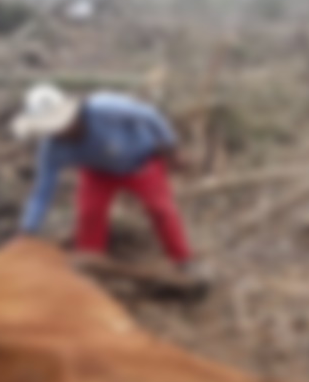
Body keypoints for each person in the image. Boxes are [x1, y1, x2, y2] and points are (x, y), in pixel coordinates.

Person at [12, 84, 199, 274]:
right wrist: (27, 231)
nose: (60, 131)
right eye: (51, 128)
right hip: (97, 173)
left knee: (161, 210)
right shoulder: (52, 149)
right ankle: (89, 264)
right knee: (89, 214)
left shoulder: (104, 108)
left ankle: (184, 261)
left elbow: (149, 115)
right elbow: (42, 192)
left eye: (60, 123)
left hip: (142, 162)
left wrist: (172, 149)